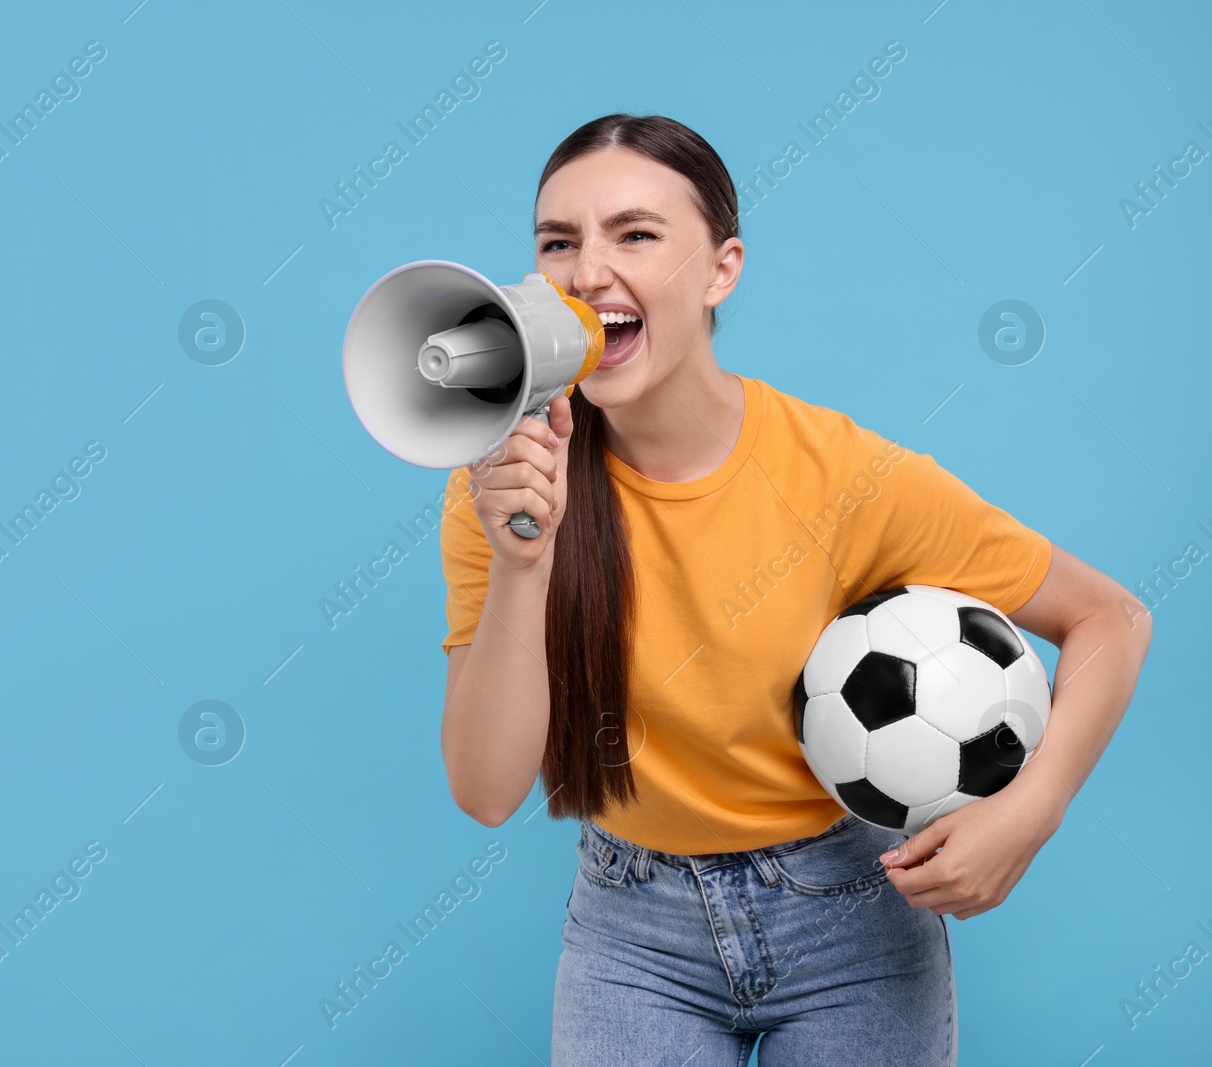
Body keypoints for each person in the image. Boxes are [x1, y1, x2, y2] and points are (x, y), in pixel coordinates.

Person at [437, 113, 1152, 1066]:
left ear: (722, 269)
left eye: (636, 234)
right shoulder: (503, 482)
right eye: (557, 242)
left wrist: (1033, 808)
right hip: (631, 933)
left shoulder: (842, 476)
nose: (588, 270)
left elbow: (1112, 617)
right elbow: (488, 792)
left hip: (852, 923)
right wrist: (524, 561)